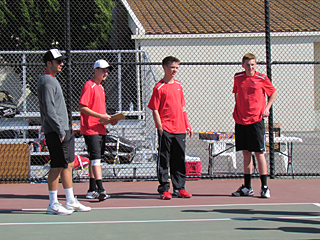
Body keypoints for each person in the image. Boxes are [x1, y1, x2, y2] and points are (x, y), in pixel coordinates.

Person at [37, 49, 91, 215]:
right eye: (58, 61)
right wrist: (60, 130)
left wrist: (67, 128)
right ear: (49, 63)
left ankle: (70, 200)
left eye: (62, 61)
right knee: (57, 166)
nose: (62, 64)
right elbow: (49, 109)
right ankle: (53, 204)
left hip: (64, 130)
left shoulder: (52, 80)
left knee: (67, 164)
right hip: (56, 131)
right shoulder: (46, 81)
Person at [232, 53, 277, 198]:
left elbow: (273, 93)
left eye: (253, 64)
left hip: (256, 121)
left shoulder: (262, 78)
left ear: (256, 65)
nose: (250, 67)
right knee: (246, 153)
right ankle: (247, 187)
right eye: (247, 64)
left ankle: (264, 187)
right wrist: (238, 109)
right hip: (241, 121)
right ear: (243, 65)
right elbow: (236, 94)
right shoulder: (238, 78)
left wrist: (267, 108)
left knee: (259, 153)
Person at [148, 56, 193, 200]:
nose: (175, 70)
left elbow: (182, 107)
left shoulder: (179, 85)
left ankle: (179, 188)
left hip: (180, 130)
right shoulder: (159, 87)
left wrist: (187, 125)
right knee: (163, 159)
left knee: (179, 159)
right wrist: (160, 127)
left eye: (177, 68)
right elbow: (154, 109)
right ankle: (164, 189)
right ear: (165, 68)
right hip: (166, 129)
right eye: (172, 67)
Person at [79, 59, 118, 201]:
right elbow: (82, 107)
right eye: (103, 70)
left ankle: (91, 189)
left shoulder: (101, 87)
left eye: (107, 70)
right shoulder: (89, 86)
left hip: (100, 129)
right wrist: (101, 116)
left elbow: (100, 111)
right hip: (91, 129)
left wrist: (109, 119)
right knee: (96, 160)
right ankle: (101, 189)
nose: (106, 73)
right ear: (96, 70)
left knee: (94, 159)